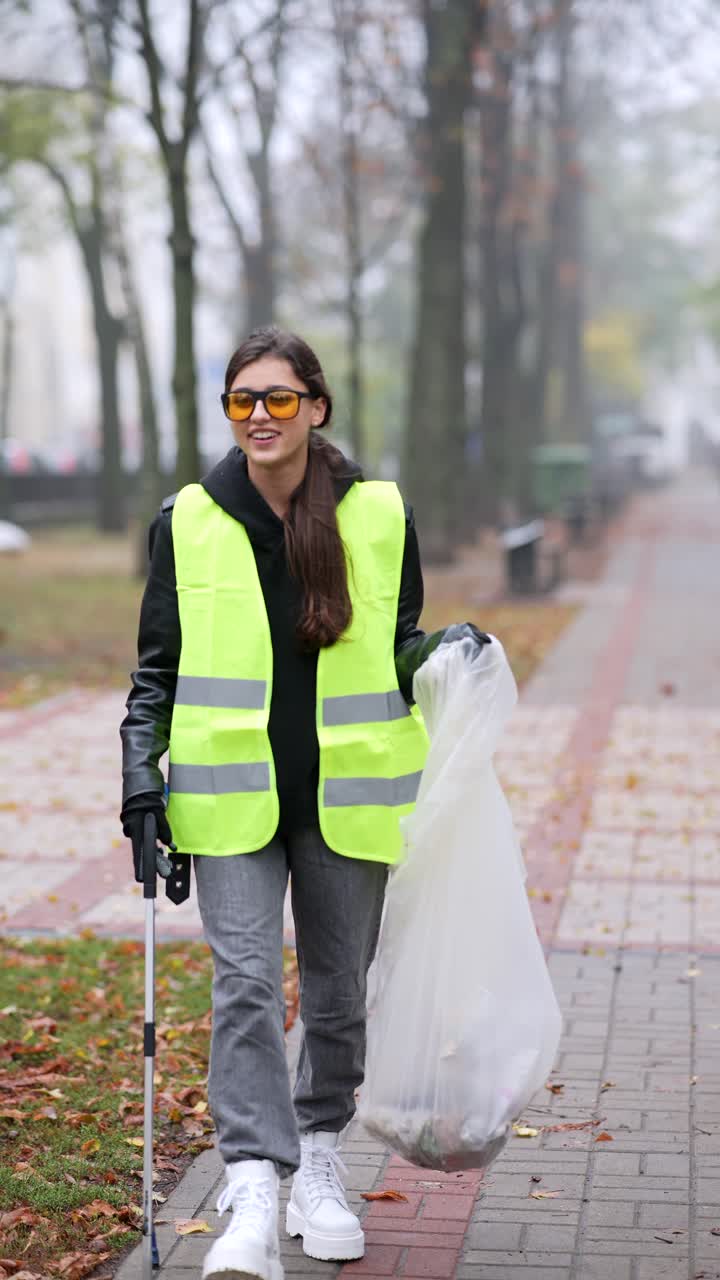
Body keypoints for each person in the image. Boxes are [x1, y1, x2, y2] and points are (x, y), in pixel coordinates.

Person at [119, 326, 490, 1280]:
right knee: (243, 985)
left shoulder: (375, 514)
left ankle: (319, 1156)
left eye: (279, 398)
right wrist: (139, 781)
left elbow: (396, 644)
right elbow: (156, 672)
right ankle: (252, 1183)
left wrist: (448, 651)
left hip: (347, 798)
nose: (259, 416)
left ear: (315, 407)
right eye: (242, 399)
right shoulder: (187, 519)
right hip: (229, 798)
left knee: (334, 994)